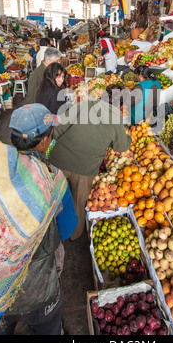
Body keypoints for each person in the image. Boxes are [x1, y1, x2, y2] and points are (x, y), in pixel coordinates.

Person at [0, 104, 76, 335]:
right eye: (50, 132)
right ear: (45, 141)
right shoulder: (53, 181)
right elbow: (66, 229)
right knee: (48, 329)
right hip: (40, 290)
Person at [49, 89, 132, 240]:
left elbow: (59, 128)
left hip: (59, 159)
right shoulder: (116, 119)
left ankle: (46, 232)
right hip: (84, 170)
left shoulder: (85, 104)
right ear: (120, 105)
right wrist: (129, 137)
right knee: (78, 203)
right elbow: (121, 147)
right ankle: (73, 236)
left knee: (50, 196)